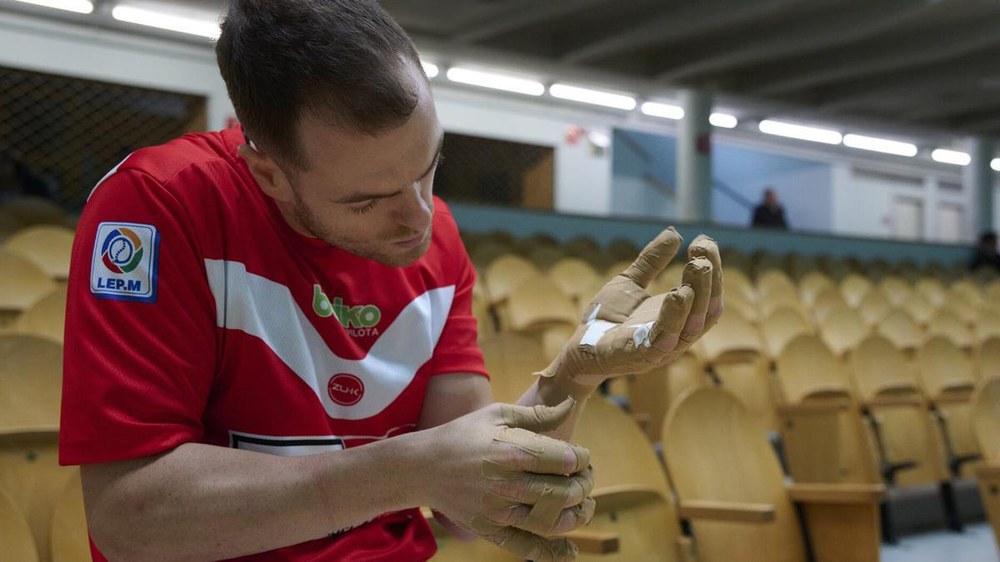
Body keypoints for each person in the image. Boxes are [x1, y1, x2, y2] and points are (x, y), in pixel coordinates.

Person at [59, 1, 724, 561]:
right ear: (268, 174)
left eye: (429, 168)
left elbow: (465, 508)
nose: (417, 218)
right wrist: (401, 470)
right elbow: (129, 517)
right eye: (366, 200)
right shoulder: (158, 208)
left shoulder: (438, 241)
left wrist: (569, 377)